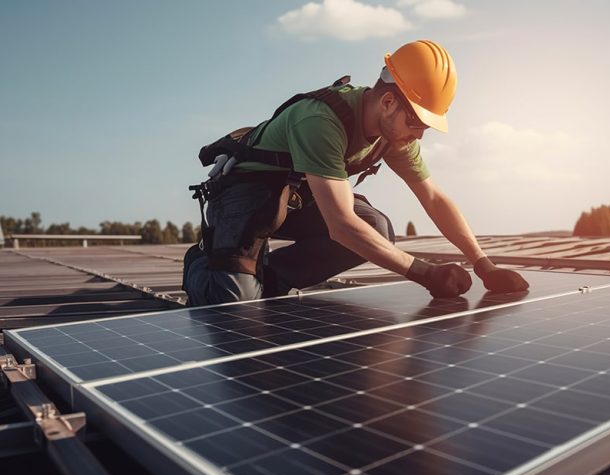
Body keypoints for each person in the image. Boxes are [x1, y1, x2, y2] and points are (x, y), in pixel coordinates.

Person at [183, 39, 529, 306]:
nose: (420, 134)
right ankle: (202, 261)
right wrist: (426, 274)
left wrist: (485, 266)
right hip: (246, 195)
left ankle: (268, 279)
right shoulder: (320, 121)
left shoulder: (394, 134)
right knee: (232, 308)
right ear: (389, 102)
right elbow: (341, 225)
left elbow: (434, 198)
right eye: (417, 122)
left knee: (377, 229)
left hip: (299, 195)